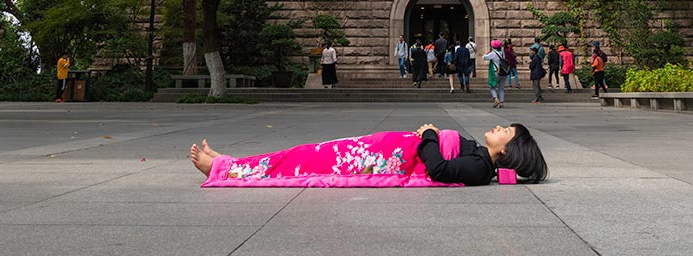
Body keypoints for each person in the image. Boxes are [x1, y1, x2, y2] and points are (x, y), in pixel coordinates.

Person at [189, 122, 547, 187]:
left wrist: (429, 136)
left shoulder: (479, 166)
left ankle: (223, 170)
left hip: (375, 158)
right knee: (302, 154)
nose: (499, 128)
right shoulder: (480, 157)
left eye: (507, 132)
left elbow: (437, 169)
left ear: (507, 150)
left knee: (300, 162)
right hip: (376, 149)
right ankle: (231, 164)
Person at [484, 39, 506, 108]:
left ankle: (496, 99)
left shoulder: (493, 53)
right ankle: (502, 103)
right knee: (501, 88)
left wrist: (487, 53)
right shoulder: (502, 52)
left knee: (492, 87)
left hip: (496, 72)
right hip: (503, 72)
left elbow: (484, 57)